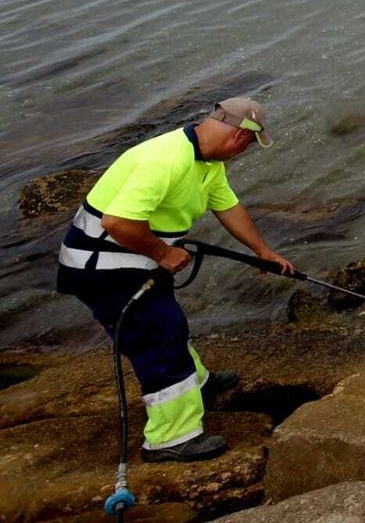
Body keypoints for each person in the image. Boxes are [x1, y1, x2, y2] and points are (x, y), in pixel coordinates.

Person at [56, 98, 292, 463]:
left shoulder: (207, 162)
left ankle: (196, 385)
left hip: (138, 258)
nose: (245, 151)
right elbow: (116, 223)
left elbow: (227, 207)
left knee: (168, 323)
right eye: (248, 143)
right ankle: (171, 438)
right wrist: (164, 254)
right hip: (102, 268)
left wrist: (262, 251)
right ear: (239, 135)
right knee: (158, 335)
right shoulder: (165, 159)